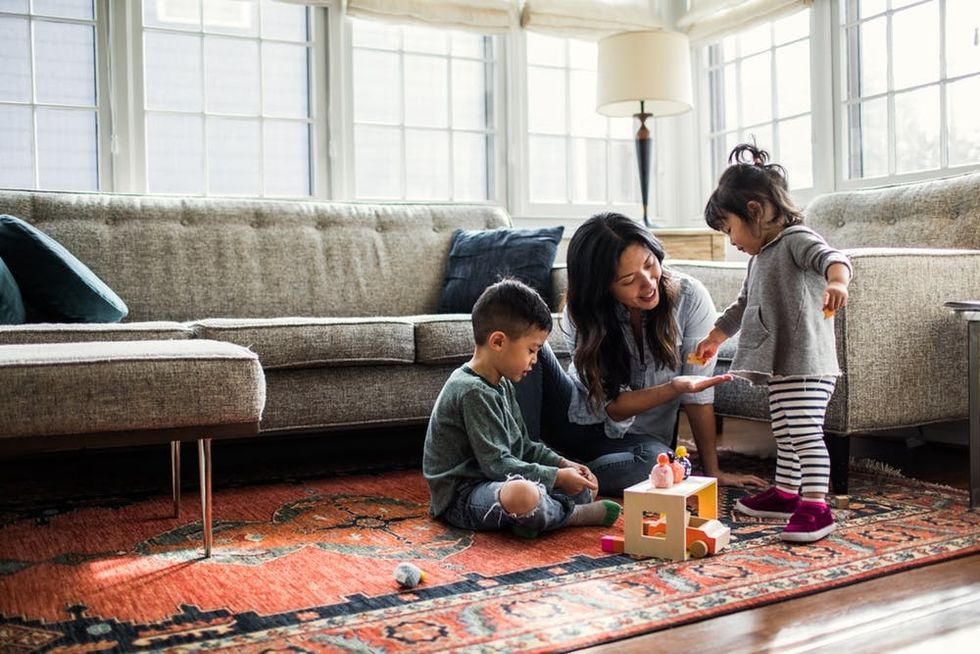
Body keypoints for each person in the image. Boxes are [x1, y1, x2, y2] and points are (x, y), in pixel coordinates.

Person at [514, 213, 768, 496]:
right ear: (602, 287)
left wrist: (713, 471)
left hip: (638, 443)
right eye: (628, 280)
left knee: (660, 465)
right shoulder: (583, 311)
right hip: (572, 421)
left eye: (649, 264)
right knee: (524, 340)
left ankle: (546, 475)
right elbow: (611, 406)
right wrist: (672, 388)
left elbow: (698, 396)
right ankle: (530, 462)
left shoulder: (690, 298)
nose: (648, 283)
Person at [693, 143, 852, 543]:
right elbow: (742, 305)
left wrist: (837, 282)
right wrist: (716, 336)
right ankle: (785, 493)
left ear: (755, 211)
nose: (730, 239)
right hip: (780, 365)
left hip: (807, 363)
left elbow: (833, 258)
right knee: (784, 430)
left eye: (729, 228)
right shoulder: (758, 258)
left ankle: (816, 505)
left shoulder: (797, 239)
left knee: (804, 432)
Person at [423, 278, 622, 538]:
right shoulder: (472, 391)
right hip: (462, 497)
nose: (535, 360)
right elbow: (498, 465)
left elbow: (524, 446)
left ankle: (532, 518)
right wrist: (557, 477)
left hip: (495, 481)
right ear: (498, 342)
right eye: (532, 350)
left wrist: (564, 464)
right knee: (523, 495)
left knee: (581, 488)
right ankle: (572, 516)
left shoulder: (501, 384)